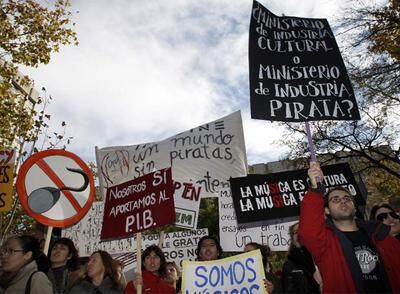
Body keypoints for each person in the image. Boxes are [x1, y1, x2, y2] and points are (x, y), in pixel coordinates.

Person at [299, 161, 400, 293]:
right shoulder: (325, 242)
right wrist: (315, 189)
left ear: (354, 206)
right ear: (327, 211)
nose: (343, 201)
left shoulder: (381, 236)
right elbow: (308, 231)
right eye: (335, 199)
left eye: (347, 198)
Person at [282, 223, 321, 293]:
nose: (299, 235)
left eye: (301, 231)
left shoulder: (320, 258)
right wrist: (314, 282)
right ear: (292, 239)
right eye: (295, 232)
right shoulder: (289, 265)